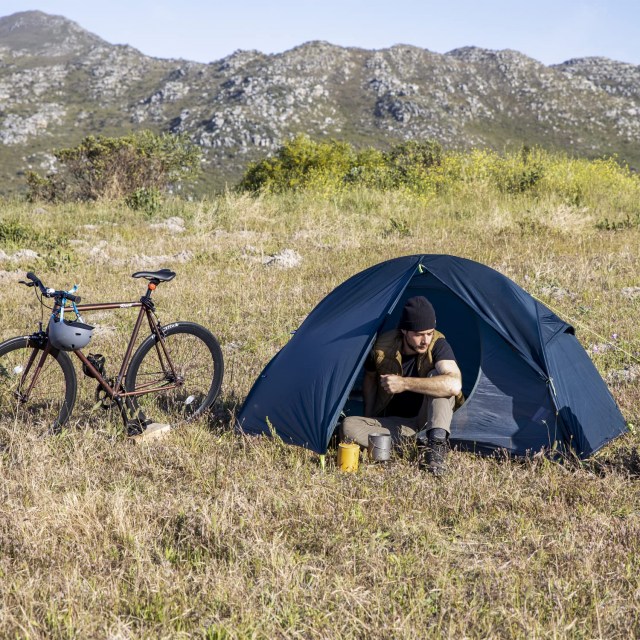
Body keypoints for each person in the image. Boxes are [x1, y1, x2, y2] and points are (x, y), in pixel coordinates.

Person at [341, 296, 463, 475]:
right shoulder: (382, 348)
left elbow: (453, 385)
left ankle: (435, 450)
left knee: (440, 379)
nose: (425, 340)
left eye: (429, 333)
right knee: (348, 426)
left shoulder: (438, 344)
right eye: (419, 334)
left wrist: (404, 383)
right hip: (397, 424)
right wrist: (369, 418)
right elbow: (369, 380)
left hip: (429, 419)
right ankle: (418, 445)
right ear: (404, 331)